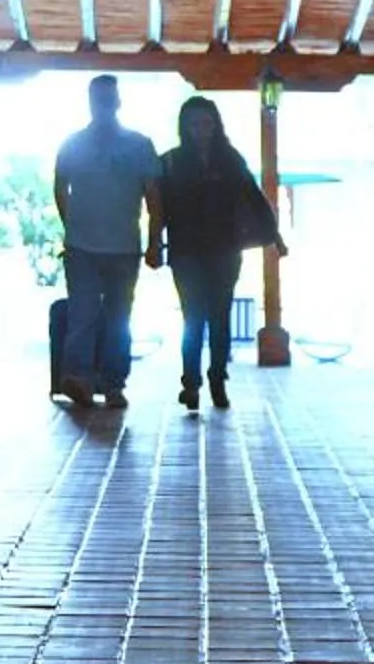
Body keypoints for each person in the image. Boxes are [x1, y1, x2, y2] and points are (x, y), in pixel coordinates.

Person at [152, 96, 279, 411]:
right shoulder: (170, 162)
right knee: (192, 318)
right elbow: (158, 208)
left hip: (224, 250)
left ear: (216, 125)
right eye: (194, 124)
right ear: (185, 127)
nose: (201, 130)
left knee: (220, 318)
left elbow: (253, 195)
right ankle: (191, 384)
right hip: (185, 251)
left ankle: (217, 379)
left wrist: (273, 234)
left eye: (207, 123)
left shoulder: (230, 159)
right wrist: (154, 242)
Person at [51, 74, 161, 408]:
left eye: (107, 98)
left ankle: (114, 384)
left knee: (118, 320)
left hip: (124, 248)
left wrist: (156, 241)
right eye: (97, 98)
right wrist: (72, 227)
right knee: (82, 316)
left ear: (117, 102)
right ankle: (79, 378)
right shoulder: (71, 144)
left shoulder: (139, 145)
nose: (103, 105)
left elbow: (154, 197)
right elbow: (59, 187)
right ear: (90, 102)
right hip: (81, 247)